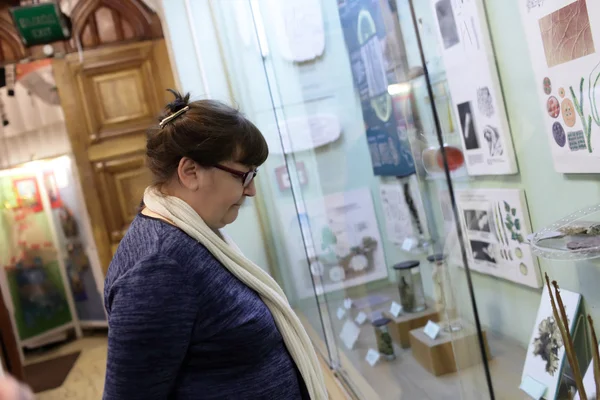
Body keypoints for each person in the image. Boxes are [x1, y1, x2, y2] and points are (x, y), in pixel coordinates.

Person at [103, 90, 327, 400]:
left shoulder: (191, 236)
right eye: (243, 175)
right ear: (190, 172)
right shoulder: (157, 268)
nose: (251, 191)